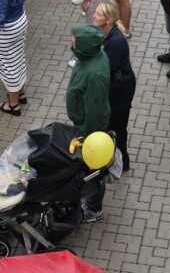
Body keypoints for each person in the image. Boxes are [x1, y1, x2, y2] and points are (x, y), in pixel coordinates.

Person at [66, 23, 111, 223]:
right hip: (83, 124)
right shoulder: (89, 57)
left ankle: (94, 209)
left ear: (85, 44)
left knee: (93, 171)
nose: (71, 41)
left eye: (75, 40)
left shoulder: (95, 74)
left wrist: (86, 136)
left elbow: (95, 109)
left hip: (90, 130)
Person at [93, 0, 135, 173]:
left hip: (120, 88)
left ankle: (122, 160)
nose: (94, 16)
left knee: (117, 125)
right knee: (110, 124)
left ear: (109, 20)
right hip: (114, 83)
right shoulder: (104, 33)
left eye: (98, 14)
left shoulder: (116, 41)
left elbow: (105, 67)